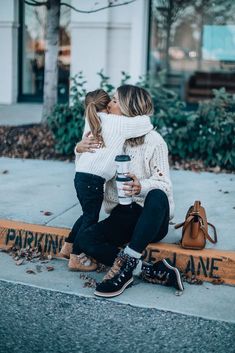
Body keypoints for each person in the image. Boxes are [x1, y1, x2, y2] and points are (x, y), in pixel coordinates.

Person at [73, 84, 184, 297]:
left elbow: (165, 185)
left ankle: (124, 267)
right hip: (124, 215)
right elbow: (88, 165)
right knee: (86, 238)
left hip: (151, 218)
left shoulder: (155, 142)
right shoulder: (111, 135)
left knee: (157, 194)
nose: (109, 104)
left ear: (127, 108)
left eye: (115, 101)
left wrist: (140, 185)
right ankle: (146, 268)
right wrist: (79, 148)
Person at [59, 88, 153, 271]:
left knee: (87, 214)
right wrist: (132, 111)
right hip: (93, 181)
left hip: (81, 177)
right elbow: (146, 123)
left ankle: (68, 245)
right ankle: (76, 257)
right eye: (113, 100)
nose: (114, 103)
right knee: (90, 219)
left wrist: (77, 148)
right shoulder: (117, 123)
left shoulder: (91, 119)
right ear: (107, 104)